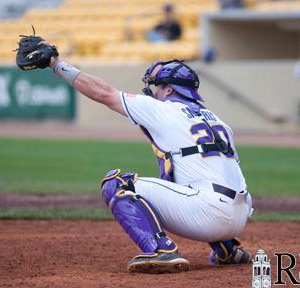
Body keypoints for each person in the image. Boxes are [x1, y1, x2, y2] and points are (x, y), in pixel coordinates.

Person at [15, 36, 253, 273]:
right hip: (240, 216)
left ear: (169, 89)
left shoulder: (164, 109)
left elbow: (104, 93)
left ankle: (162, 250)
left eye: (157, 87)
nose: (154, 91)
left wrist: (56, 65)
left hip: (207, 214)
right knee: (195, 177)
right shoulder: (218, 120)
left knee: (117, 184)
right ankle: (228, 249)